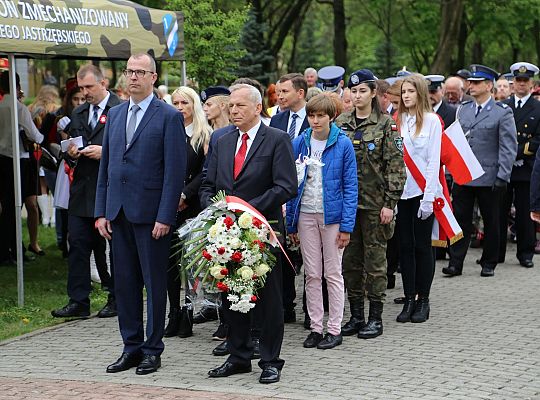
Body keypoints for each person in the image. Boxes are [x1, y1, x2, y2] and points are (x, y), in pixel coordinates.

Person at [95, 53, 186, 375]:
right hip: (118, 214)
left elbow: (174, 172)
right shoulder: (116, 115)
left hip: (151, 217)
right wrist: (101, 211)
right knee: (125, 284)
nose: (133, 77)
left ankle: (152, 349)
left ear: (153, 77)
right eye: (129, 71)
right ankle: (130, 347)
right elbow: (107, 168)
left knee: (154, 283)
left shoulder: (168, 116)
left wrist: (165, 216)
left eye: (140, 72)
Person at [200, 83, 297, 384]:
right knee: (232, 294)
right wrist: (216, 209)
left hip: (262, 231)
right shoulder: (221, 138)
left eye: (240, 105)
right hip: (226, 231)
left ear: (257, 108)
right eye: (231, 106)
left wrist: (249, 210)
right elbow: (207, 183)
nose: (234, 110)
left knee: (267, 300)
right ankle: (239, 355)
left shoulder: (277, 140)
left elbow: (286, 186)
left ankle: (270, 360)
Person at [335, 70, 406, 337]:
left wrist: (390, 203)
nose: (357, 95)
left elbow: (397, 167)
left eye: (362, 91)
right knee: (351, 262)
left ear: (374, 93)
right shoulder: (341, 123)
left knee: (375, 263)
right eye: (353, 91)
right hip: (348, 205)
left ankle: (375, 317)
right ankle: (355, 316)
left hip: (376, 206)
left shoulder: (387, 125)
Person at [51, 64, 121, 319]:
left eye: (89, 87)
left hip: (110, 189)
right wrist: (69, 154)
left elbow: (131, 149)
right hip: (82, 190)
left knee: (115, 249)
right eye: (81, 88)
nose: (85, 92)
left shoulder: (120, 110)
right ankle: (79, 300)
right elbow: (70, 151)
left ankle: (116, 297)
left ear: (103, 83)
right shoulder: (79, 113)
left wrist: (106, 153)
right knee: (78, 244)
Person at [287, 93, 357, 349]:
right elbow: (291, 185)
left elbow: (350, 187)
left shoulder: (343, 144)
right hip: (305, 213)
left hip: (332, 217)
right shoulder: (299, 143)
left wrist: (347, 226)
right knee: (312, 274)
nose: (315, 121)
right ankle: (316, 327)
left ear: (332, 117)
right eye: (311, 116)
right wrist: (292, 224)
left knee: (333, 273)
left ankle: (334, 328)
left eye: (320, 116)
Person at [443, 65, 517, 278]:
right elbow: (456, 143)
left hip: (489, 176)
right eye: (470, 82)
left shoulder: (502, 112)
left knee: (492, 221)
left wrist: (503, 175)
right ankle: (456, 262)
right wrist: (451, 172)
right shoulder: (463, 109)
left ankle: (489, 262)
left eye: (476, 83)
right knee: (461, 220)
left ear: (488, 85)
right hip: (464, 175)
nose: (470, 86)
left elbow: (508, 147)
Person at [395, 74, 442, 323]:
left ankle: (423, 299)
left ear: (421, 93)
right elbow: (394, 159)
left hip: (423, 192)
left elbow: (434, 161)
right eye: (403, 91)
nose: (406, 95)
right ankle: (408, 298)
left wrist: (428, 198)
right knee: (405, 248)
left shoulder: (433, 121)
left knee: (423, 247)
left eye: (411, 91)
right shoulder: (398, 120)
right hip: (401, 193)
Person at [164, 86, 211, 337]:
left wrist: (185, 194)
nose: (180, 107)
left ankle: (188, 312)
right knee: (170, 263)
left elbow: (206, 172)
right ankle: (173, 313)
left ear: (194, 105)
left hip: (192, 206)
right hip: (168, 206)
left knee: (191, 263)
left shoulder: (204, 135)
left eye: (184, 102)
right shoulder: (168, 130)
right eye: (175, 103)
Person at [270, 73, 309, 324]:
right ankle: (286, 305)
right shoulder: (277, 119)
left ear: (300, 93)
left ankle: (311, 307)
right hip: (282, 193)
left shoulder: (314, 117)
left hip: (308, 194)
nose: (280, 96)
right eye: (279, 92)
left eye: (285, 91)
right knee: (282, 251)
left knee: (308, 255)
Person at [499, 62, 540, 268]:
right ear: (512, 83)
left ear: (532, 84)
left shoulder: (538, 108)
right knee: (499, 212)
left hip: (526, 167)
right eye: (518, 80)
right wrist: (507, 156)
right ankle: (496, 253)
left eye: (525, 81)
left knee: (525, 213)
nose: (521, 84)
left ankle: (526, 254)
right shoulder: (503, 106)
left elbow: (537, 139)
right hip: (504, 169)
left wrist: (514, 153)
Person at [0, 71, 44, 264]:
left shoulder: (1, 105)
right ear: (17, 85)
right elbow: (35, 136)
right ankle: (12, 251)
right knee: (15, 208)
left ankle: (9, 249)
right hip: (18, 160)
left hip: (2, 159)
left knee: (7, 207)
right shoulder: (19, 108)